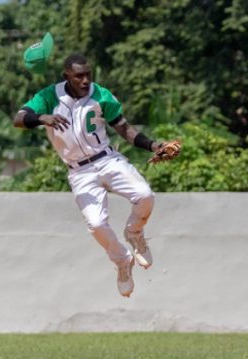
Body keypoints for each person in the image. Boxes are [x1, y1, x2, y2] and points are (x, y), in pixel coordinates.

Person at [13, 53, 174, 298]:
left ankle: (134, 233)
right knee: (96, 224)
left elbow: (125, 129)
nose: (86, 79)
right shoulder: (48, 96)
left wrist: (153, 145)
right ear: (66, 75)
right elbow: (18, 119)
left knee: (145, 194)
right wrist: (41, 117)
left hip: (107, 159)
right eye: (79, 75)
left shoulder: (101, 95)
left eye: (88, 74)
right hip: (79, 172)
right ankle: (122, 261)